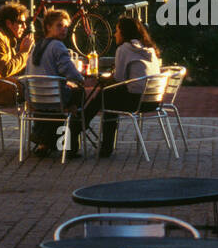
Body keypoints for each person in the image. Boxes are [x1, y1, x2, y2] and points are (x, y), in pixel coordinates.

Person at [25, 10, 87, 158]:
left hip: (35, 99)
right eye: (59, 26)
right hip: (54, 99)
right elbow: (69, 71)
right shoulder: (58, 46)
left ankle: (45, 140)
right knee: (79, 93)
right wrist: (81, 79)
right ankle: (69, 146)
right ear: (48, 27)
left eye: (66, 26)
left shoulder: (35, 47)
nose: (64, 29)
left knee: (58, 98)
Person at [98, 16, 162, 156]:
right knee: (107, 95)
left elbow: (118, 79)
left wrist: (105, 80)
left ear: (124, 33)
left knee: (106, 96)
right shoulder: (150, 49)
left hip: (136, 102)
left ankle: (82, 127)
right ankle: (82, 126)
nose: (114, 34)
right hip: (154, 101)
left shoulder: (124, 49)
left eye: (117, 30)